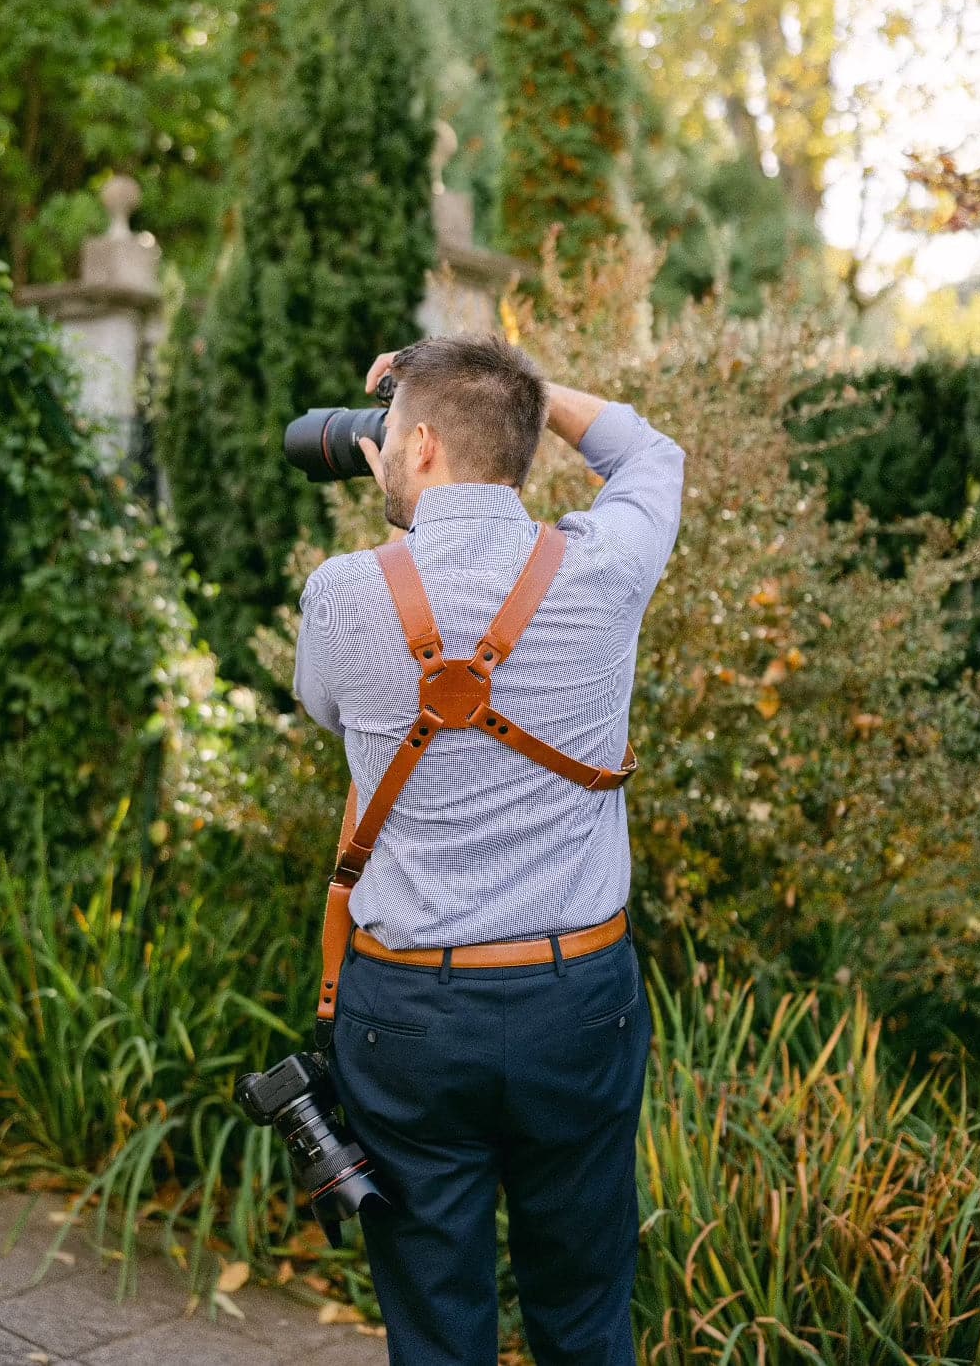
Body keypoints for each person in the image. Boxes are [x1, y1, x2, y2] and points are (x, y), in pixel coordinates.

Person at [293, 333, 685, 1366]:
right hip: (575, 1005)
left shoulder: (341, 595)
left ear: (416, 445)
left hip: (409, 1014)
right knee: (586, 1309)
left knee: (435, 1323)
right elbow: (651, 458)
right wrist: (529, 391)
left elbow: (327, 709)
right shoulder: (604, 568)